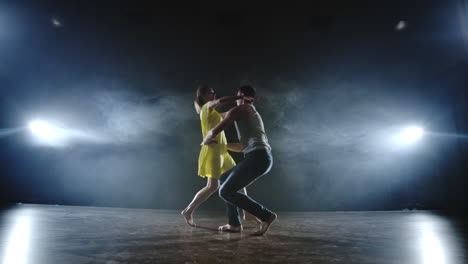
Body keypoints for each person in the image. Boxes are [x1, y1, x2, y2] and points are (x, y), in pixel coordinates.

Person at [202, 85, 276, 236]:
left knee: (225, 191)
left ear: (241, 96)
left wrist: (209, 136)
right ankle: (234, 224)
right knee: (223, 179)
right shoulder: (246, 115)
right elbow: (242, 147)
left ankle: (266, 216)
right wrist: (223, 145)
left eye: (238, 97)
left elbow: (220, 124)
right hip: (257, 157)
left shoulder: (244, 108)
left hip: (259, 157)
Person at [181, 84, 259, 227]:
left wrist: (244, 105)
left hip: (223, 152)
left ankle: (247, 213)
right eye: (210, 93)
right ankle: (188, 210)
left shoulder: (214, 115)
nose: (213, 95)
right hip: (213, 151)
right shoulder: (206, 108)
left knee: (238, 181)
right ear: (203, 97)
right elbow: (221, 101)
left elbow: (230, 113)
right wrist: (241, 97)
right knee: (212, 187)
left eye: (214, 93)